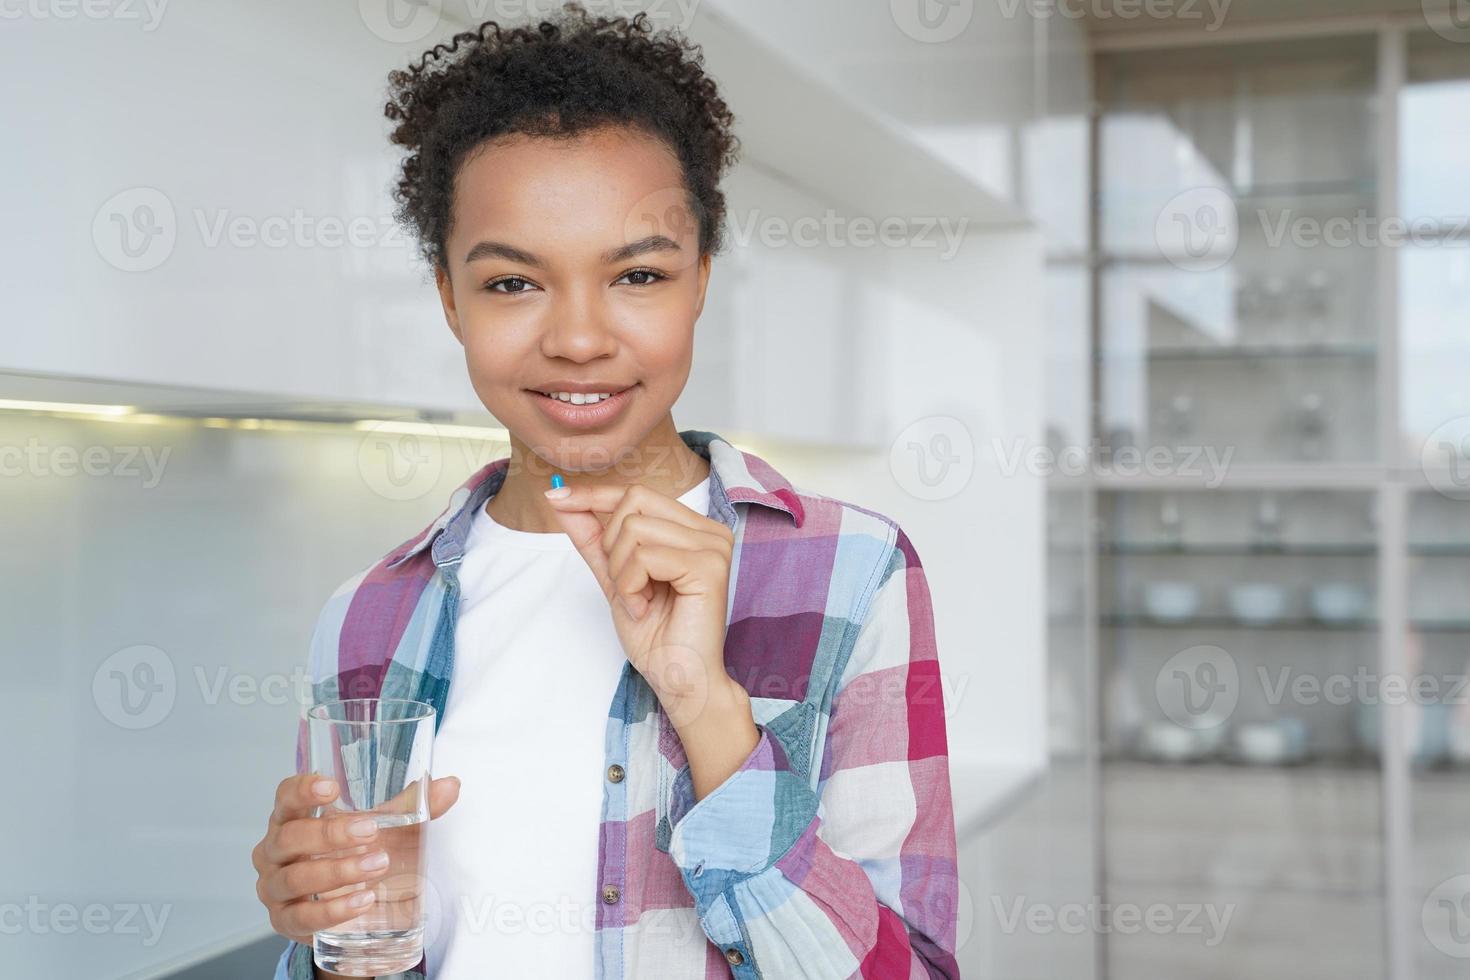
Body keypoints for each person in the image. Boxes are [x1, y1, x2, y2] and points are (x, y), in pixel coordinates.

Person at [250, 4, 960, 977]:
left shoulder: (849, 569)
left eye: (636, 274)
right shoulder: (365, 616)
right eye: (512, 284)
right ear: (448, 295)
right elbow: (367, 949)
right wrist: (323, 937)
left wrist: (706, 706)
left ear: (701, 278)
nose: (579, 338)